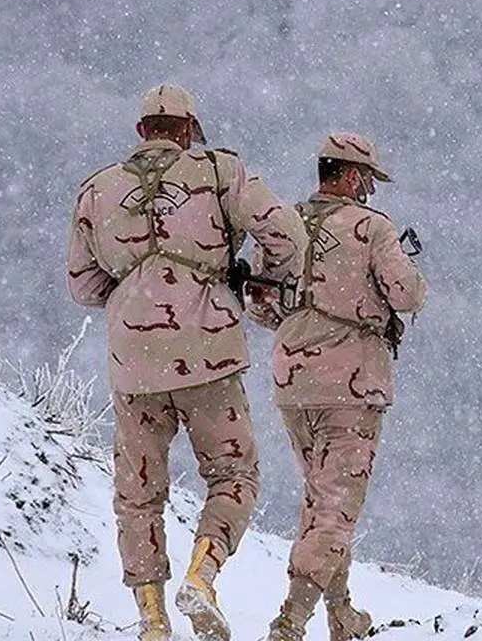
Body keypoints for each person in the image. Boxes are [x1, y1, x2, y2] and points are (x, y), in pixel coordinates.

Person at [66, 84, 308, 641]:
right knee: (234, 474)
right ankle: (202, 575)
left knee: (138, 491)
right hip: (211, 354)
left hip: (134, 363)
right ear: (189, 129)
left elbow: (81, 284)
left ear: (140, 132)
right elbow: (287, 233)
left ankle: (152, 619)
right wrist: (260, 279)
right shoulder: (221, 172)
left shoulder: (97, 190)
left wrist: (134, 295)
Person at [252, 133, 427, 641]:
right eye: (368, 178)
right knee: (335, 506)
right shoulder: (373, 229)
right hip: (352, 384)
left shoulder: (281, 226)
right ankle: (290, 622)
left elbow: (261, 306)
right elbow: (408, 294)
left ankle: (342, 614)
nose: (371, 188)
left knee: (321, 497)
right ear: (351, 175)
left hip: (293, 384)